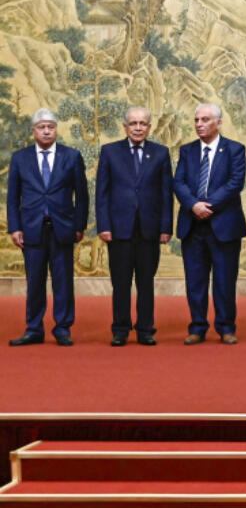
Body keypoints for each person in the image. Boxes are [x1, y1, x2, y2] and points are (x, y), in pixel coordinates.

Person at [7, 109, 88, 347]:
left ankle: (62, 328)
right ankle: (34, 328)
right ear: (33, 131)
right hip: (31, 229)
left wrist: (79, 225)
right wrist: (15, 227)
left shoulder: (71, 156)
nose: (46, 131)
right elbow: (13, 198)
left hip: (62, 227)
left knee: (63, 281)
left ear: (56, 130)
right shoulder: (20, 158)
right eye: (41, 127)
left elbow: (82, 196)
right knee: (35, 281)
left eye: (50, 127)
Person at [96, 106, 173, 347]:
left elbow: (166, 194)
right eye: (133, 123)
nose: (138, 128)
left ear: (149, 127)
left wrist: (165, 227)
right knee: (120, 282)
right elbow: (102, 194)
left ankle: (146, 329)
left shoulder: (160, 153)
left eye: (142, 124)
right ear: (125, 127)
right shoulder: (110, 152)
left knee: (146, 282)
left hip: (149, 230)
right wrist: (104, 225)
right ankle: (120, 329)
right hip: (118, 230)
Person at [173, 103, 246, 345]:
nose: (199, 124)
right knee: (195, 280)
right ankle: (197, 327)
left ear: (218, 122)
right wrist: (194, 205)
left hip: (224, 225)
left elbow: (234, 183)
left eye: (205, 119)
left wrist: (207, 205)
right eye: (196, 120)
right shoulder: (187, 151)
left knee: (225, 280)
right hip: (192, 225)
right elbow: (179, 182)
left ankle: (226, 327)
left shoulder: (235, 150)